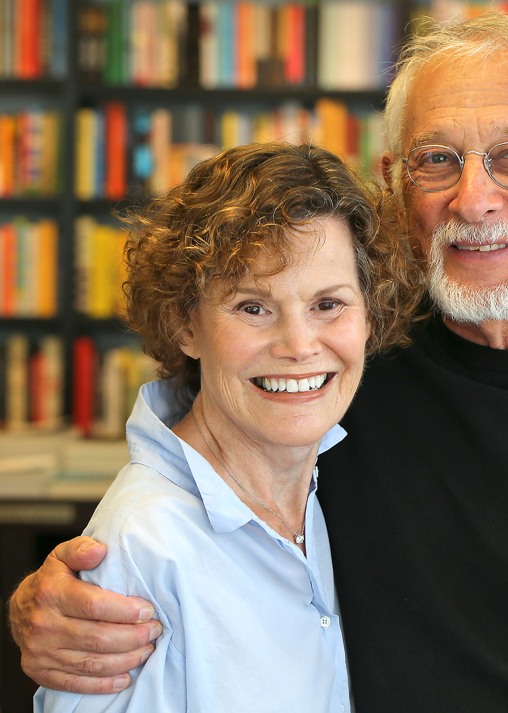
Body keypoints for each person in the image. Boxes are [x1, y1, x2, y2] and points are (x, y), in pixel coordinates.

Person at [10, 12, 508, 713]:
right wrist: (64, 594)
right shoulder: (333, 374)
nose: (474, 199)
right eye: (438, 160)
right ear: (398, 188)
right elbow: (190, 476)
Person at [30, 142, 421, 712]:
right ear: (186, 324)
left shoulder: (320, 488)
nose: (300, 346)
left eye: (329, 304)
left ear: (370, 315)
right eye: (252, 307)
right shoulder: (145, 549)